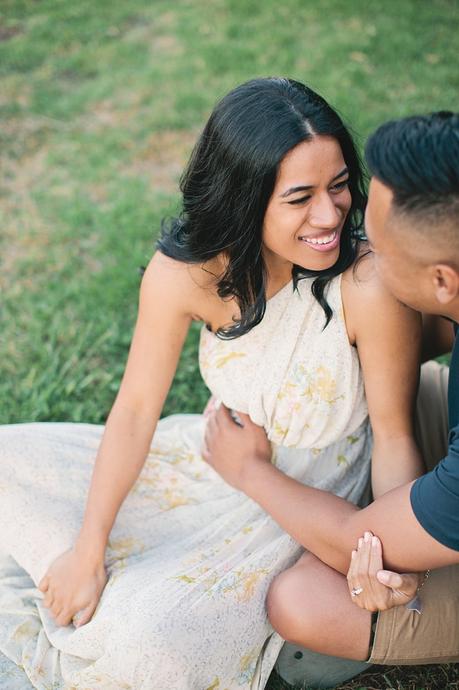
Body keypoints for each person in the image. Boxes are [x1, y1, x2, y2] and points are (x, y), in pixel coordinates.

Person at [0, 78, 424, 690]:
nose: (330, 215)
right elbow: (137, 410)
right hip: (208, 461)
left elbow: (392, 434)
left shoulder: (365, 284)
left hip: (306, 503)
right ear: (244, 198)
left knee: (148, 644)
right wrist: (89, 548)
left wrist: (394, 551)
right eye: (300, 197)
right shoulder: (185, 276)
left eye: (338, 187)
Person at [203, 111, 459, 687]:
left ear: (441, 281)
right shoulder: (451, 296)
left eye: (381, 253)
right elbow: (404, 351)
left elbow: (359, 545)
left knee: (302, 598)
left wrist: (250, 471)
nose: (361, 257)